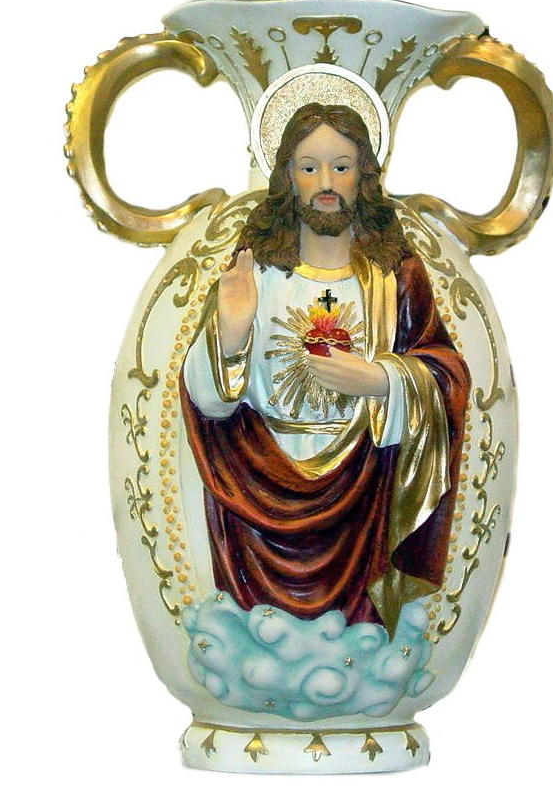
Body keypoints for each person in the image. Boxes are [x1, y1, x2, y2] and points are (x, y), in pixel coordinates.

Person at [179, 103, 470, 637]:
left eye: (342, 166)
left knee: (359, 638)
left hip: (364, 493)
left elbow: (448, 373)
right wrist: (232, 330)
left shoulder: (396, 275)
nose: (327, 183)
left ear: (365, 175)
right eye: (310, 167)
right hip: (259, 487)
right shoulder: (254, 270)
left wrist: (384, 380)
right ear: (288, 176)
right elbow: (208, 404)